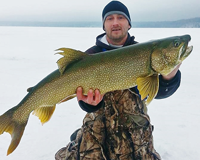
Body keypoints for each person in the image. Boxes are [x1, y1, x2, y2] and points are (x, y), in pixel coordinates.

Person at [55, 1, 181, 160]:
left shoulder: (145, 52)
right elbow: (82, 100)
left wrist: (168, 78)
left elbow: (157, 92)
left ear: (129, 24)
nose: (115, 22)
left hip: (135, 134)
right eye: (109, 18)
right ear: (103, 25)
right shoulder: (90, 56)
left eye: (120, 17)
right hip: (96, 132)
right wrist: (89, 103)